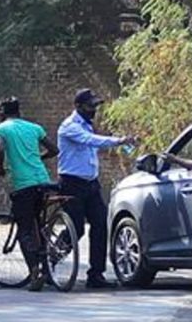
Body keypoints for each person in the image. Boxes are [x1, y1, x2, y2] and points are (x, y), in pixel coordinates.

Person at [57, 88, 135, 289]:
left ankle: (96, 275)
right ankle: (50, 260)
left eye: (95, 106)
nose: (93, 110)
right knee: (76, 228)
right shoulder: (69, 126)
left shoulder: (87, 125)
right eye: (90, 106)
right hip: (72, 184)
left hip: (91, 184)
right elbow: (90, 141)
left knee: (100, 225)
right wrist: (118, 141)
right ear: (78, 106)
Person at [0, 96, 59, 292]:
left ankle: (35, 272)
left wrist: (0, 169)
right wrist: (38, 158)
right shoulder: (34, 128)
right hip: (43, 181)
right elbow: (54, 150)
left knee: (25, 230)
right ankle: (47, 268)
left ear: (2, 114)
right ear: (19, 112)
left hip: (24, 185)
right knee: (39, 225)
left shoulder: (2, 129)